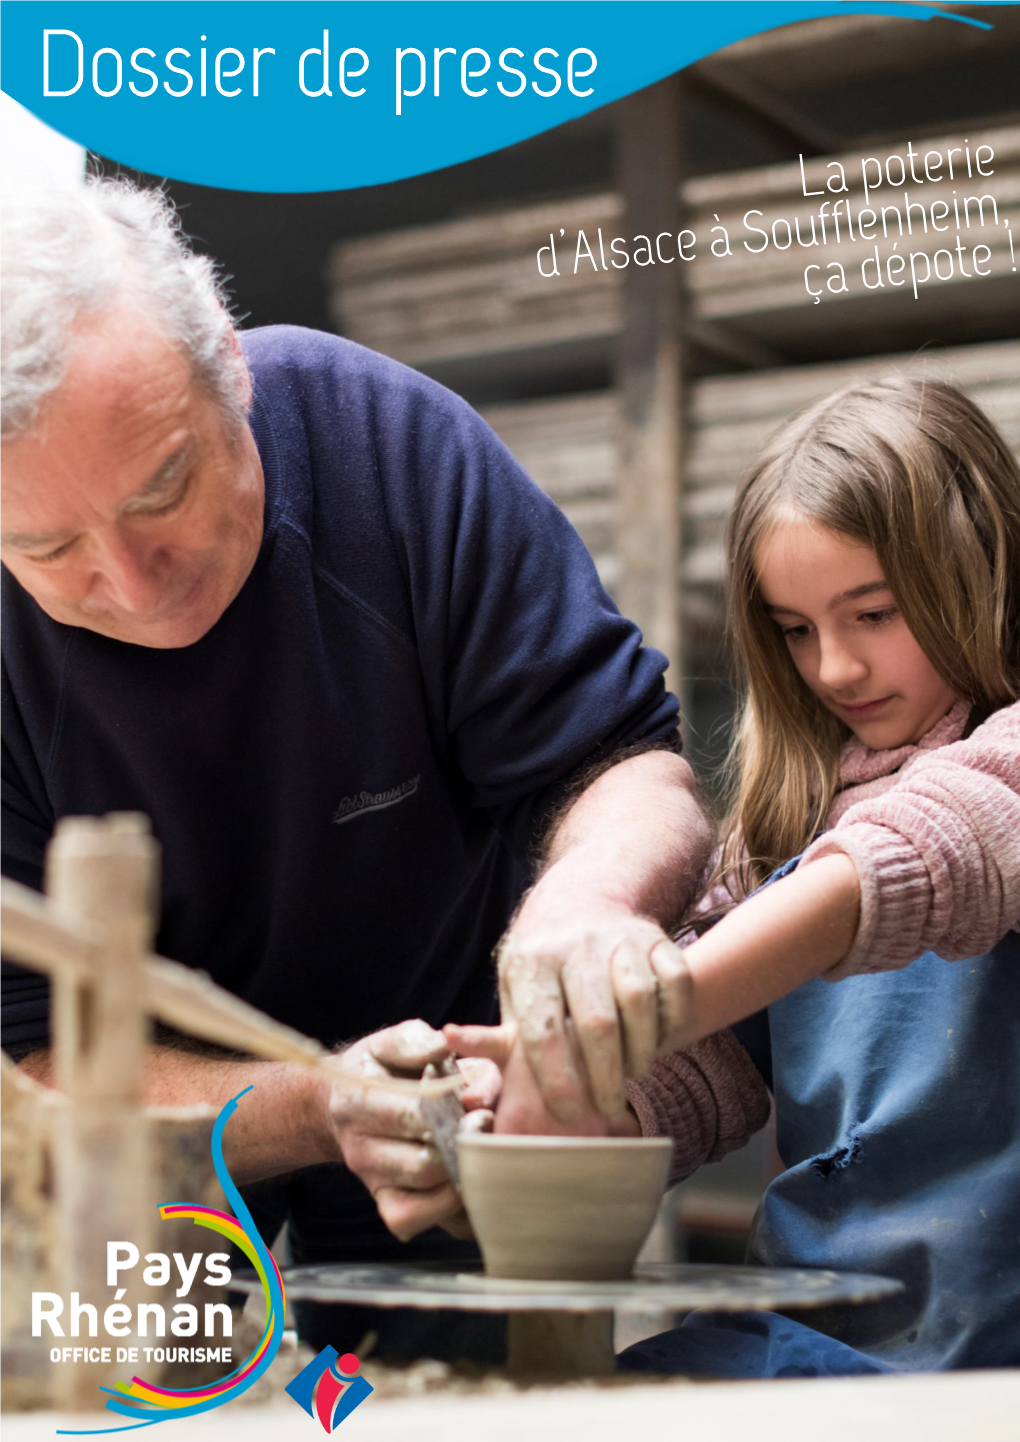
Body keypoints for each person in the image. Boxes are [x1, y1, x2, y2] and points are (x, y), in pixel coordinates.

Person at [0, 179, 713, 1359]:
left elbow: (629, 766)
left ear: (229, 372)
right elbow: (40, 1059)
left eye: (162, 488)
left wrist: (593, 901)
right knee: (124, 1380)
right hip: (144, 1133)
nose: (130, 582)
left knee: (475, 1399)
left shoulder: (379, 443)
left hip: (461, 1098)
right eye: (50, 547)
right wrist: (315, 1105)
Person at [454, 374, 1020, 1373]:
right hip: (820, 1329)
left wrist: (642, 1004)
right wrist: (559, 1096)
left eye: (872, 613)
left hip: (986, 1353)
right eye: (796, 630)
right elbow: (698, 1072)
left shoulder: (993, 775)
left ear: (979, 572)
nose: (834, 666)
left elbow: (919, 851)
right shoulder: (785, 827)